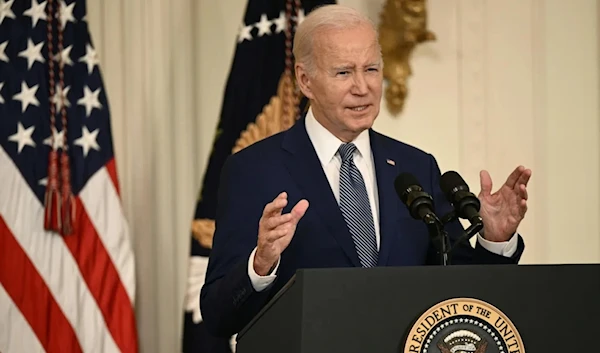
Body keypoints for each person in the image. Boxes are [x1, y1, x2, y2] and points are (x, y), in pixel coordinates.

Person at [200, 4, 531, 338]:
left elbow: (461, 293)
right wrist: (260, 265)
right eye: (343, 73)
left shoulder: (416, 167)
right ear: (305, 80)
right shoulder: (254, 170)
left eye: (371, 69)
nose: (362, 87)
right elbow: (217, 315)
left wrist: (495, 240)